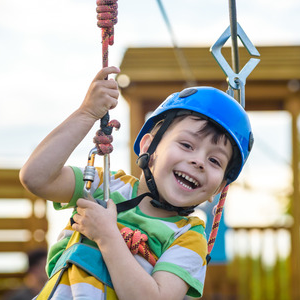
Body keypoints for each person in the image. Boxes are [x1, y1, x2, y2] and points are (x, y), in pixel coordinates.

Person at [19, 66, 253, 299]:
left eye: (214, 160)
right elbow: (37, 178)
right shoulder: (107, 186)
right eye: (187, 145)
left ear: (219, 189)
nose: (199, 162)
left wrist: (107, 236)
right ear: (148, 148)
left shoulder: (188, 238)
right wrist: (87, 113)